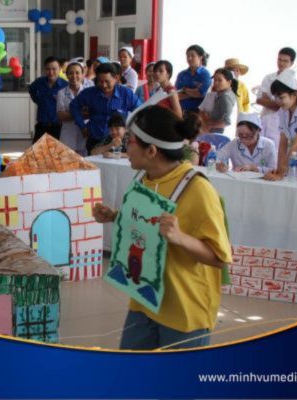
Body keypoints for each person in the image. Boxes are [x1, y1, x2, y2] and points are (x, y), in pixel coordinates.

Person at [93, 105, 231, 349]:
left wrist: (180, 237)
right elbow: (149, 223)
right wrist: (115, 216)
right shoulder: (145, 178)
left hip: (184, 310)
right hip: (144, 298)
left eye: (129, 140)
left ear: (151, 150)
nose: (124, 146)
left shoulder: (198, 190)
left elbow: (220, 258)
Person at [70, 62, 141, 154]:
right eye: (100, 81)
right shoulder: (90, 93)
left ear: (116, 78)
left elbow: (140, 111)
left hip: (118, 142)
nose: (103, 85)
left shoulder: (126, 94)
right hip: (94, 140)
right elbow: (74, 106)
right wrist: (82, 126)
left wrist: (131, 131)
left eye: (107, 81)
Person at [256, 47, 297, 148]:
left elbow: (281, 106)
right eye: (279, 60)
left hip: (282, 122)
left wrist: (269, 101)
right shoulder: (268, 78)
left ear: (291, 63)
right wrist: (276, 103)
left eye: (285, 61)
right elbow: (259, 100)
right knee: (261, 147)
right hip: (265, 118)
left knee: (278, 148)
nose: (281, 63)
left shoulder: (294, 83)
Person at [57, 60, 93, 155]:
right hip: (68, 135)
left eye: (77, 73)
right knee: (67, 162)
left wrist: (70, 114)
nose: (74, 76)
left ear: (83, 74)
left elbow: (92, 113)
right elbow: (61, 116)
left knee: (84, 161)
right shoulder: (61, 93)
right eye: (71, 73)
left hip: (85, 134)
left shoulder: (89, 92)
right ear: (66, 75)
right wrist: (82, 114)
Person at [28, 56, 68, 143]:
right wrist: (38, 100)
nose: (51, 72)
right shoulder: (39, 82)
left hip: (59, 127)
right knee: (37, 151)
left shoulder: (65, 85)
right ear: (44, 69)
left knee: (56, 151)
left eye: (54, 69)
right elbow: (31, 90)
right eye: (48, 69)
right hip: (41, 126)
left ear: (60, 69)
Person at [176, 44, 211, 113]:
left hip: (198, 113)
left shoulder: (205, 74)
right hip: (181, 111)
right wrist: (194, 92)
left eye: (192, 56)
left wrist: (184, 89)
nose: (189, 58)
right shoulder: (181, 74)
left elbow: (202, 94)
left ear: (200, 57)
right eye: (187, 56)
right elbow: (176, 95)